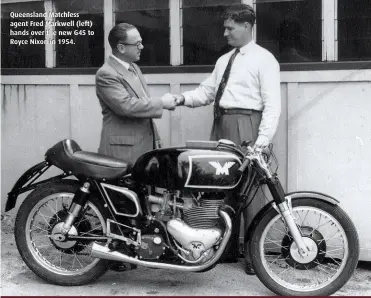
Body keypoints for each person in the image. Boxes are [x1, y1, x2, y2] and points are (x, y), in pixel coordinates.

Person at [172, 4, 281, 275]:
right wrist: (181, 99)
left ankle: (255, 257)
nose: (225, 33)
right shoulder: (225, 60)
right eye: (225, 27)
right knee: (220, 186)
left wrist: (262, 140)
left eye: (230, 28)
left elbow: (272, 105)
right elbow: (208, 92)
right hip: (222, 124)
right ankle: (226, 250)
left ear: (247, 26)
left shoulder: (264, 59)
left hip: (247, 126)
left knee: (250, 190)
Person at [96, 23, 176, 164]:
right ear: (121, 48)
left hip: (142, 147)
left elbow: (143, 103)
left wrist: (155, 141)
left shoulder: (133, 67)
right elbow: (126, 106)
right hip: (123, 152)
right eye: (137, 44)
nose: (142, 47)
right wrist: (162, 102)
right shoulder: (106, 73)